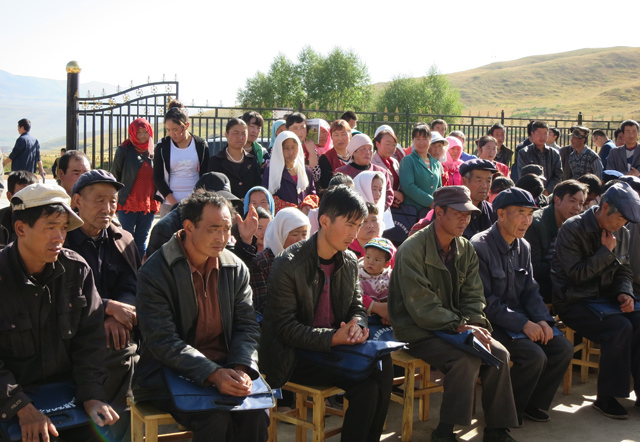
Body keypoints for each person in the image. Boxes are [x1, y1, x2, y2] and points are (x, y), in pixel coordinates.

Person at [260, 185, 393, 442]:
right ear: (324, 221)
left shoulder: (350, 261)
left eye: (358, 225)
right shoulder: (288, 264)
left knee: (381, 366)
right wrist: (332, 338)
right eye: (349, 224)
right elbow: (284, 328)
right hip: (294, 357)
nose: (354, 233)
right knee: (367, 385)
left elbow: (356, 305)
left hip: (333, 349)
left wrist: (358, 325)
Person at [134, 190, 267, 442]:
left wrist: (241, 368)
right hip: (167, 371)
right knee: (215, 416)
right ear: (188, 227)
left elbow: (247, 326)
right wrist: (212, 374)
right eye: (213, 229)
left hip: (226, 366)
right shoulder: (155, 272)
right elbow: (162, 341)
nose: (222, 238)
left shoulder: (235, 267)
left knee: (256, 414)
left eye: (226, 229)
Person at [389, 185, 519, 442]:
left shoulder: (465, 248)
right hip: (417, 329)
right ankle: (444, 432)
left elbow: (474, 296)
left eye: (468, 214)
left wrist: (474, 325)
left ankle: (496, 429)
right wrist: (461, 326)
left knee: (500, 354)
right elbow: (422, 307)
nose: (465, 219)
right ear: (439, 212)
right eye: (458, 213)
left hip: (456, 327)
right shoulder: (412, 249)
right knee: (464, 361)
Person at [1, 183, 120, 441]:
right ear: (20, 229)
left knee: (102, 429)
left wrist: (92, 395)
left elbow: (90, 343)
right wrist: (20, 406)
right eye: (50, 227)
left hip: (67, 393)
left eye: (64, 228)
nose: (59, 237)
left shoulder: (77, 270)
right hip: (8, 400)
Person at [471, 188, 574, 425]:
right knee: (533, 356)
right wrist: (524, 324)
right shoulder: (479, 246)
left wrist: (542, 320)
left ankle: (533, 404)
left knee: (562, 348)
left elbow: (530, 290)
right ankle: (508, 413)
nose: (527, 221)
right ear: (501, 214)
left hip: (521, 319)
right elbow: (484, 301)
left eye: (529, 214)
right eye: (520, 213)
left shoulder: (523, 246)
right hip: (491, 323)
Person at [552, 182, 640, 419]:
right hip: (574, 301)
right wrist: (605, 252)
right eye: (620, 218)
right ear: (606, 207)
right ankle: (606, 397)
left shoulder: (622, 232)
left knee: (638, 320)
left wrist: (625, 292)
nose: (622, 225)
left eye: (626, 221)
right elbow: (576, 276)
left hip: (606, 300)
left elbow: (624, 270)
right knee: (619, 327)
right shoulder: (573, 228)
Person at [65, 170, 140, 439]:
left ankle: (112, 430)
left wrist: (118, 314)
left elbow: (131, 285)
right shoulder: (60, 239)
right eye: (99, 200)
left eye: (113, 201)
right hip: (70, 330)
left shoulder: (123, 240)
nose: (107, 208)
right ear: (77, 201)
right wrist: (106, 308)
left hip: (115, 329)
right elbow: (62, 292)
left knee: (129, 352)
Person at [145, 173, 258, 266]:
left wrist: (245, 240)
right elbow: (155, 275)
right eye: (215, 202)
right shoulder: (165, 229)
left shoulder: (224, 225)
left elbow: (233, 272)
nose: (221, 238)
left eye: (226, 202)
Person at [525, 180, 588, 302]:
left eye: (581, 203)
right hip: (539, 288)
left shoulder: (576, 224)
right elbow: (533, 268)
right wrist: (567, 264)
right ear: (557, 200)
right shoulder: (536, 224)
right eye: (572, 201)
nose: (577, 208)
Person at [409, 159, 498, 240]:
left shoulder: (492, 211)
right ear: (465, 181)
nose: (485, 186)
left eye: (488, 181)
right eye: (479, 180)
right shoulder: (448, 209)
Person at [112, 117, 159, 258]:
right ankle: (124, 267)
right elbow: (114, 176)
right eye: (138, 132)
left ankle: (138, 270)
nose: (142, 135)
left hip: (148, 203)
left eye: (145, 132)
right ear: (132, 133)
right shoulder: (124, 150)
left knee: (141, 240)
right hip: (127, 202)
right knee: (125, 238)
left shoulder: (154, 151)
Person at [154, 100, 209, 217]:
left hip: (195, 204)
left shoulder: (201, 145)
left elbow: (205, 175)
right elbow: (157, 178)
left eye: (175, 130)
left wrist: (195, 200)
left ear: (186, 126)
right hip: (169, 204)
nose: (171, 134)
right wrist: (175, 204)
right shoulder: (162, 146)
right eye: (168, 130)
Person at [250, 207, 310, 315]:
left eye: (304, 234)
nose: (301, 240)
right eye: (295, 234)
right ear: (280, 234)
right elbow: (262, 305)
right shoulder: (262, 262)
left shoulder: (308, 260)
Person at [335, 134, 394, 210]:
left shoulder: (381, 172)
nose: (368, 152)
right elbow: (337, 197)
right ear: (354, 152)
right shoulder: (342, 173)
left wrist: (377, 209)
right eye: (363, 149)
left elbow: (388, 195)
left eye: (370, 149)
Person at [209, 118, 262, 199]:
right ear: (226, 135)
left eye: (243, 133)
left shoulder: (252, 160)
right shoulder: (216, 161)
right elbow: (212, 191)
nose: (240, 137)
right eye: (236, 133)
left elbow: (257, 187)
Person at [262, 131, 315, 212]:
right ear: (279, 149)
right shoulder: (271, 171)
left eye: (293, 147)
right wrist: (292, 209)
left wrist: (307, 205)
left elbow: (312, 193)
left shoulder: (305, 171)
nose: (291, 152)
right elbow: (266, 197)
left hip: (303, 217)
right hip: (281, 217)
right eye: (286, 148)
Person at [399, 125, 442, 212]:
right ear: (413, 141)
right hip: (413, 212)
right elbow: (408, 187)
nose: (421, 143)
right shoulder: (407, 160)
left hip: (432, 212)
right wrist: (430, 202)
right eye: (418, 139)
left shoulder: (436, 163)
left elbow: (439, 187)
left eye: (424, 139)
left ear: (430, 140)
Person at [516, 121, 563, 195]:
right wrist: (537, 190)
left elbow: (558, 175)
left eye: (545, 133)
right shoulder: (524, 152)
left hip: (550, 194)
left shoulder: (554, 153)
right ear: (532, 134)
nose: (542, 136)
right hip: (530, 193)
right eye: (539, 133)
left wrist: (548, 191)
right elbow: (523, 175)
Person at [359, 237, 395, 324]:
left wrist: (388, 314)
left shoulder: (391, 276)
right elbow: (357, 298)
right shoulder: (358, 275)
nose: (370, 262)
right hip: (363, 317)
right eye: (368, 257)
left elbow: (397, 296)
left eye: (376, 260)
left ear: (387, 264)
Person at [0, 171, 38, 247]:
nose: (29, 199)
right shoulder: (1, 221)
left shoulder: (45, 220)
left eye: (33, 194)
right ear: (9, 196)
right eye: (22, 194)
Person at [372, 126, 403, 206]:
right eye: (388, 144)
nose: (391, 148)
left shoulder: (395, 162)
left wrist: (396, 198)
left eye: (394, 145)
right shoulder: (372, 163)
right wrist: (393, 194)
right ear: (377, 144)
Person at [284, 113, 320, 181]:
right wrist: (302, 168)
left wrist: (312, 152)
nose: (300, 132)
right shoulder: (281, 148)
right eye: (295, 128)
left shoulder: (310, 148)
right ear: (287, 129)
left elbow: (315, 177)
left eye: (302, 127)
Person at [318, 119, 352, 190]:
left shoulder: (356, 154)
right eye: (336, 135)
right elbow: (326, 185)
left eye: (343, 134)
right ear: (331, 137)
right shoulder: (326, 158)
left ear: (350, 135)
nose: (340, 138)